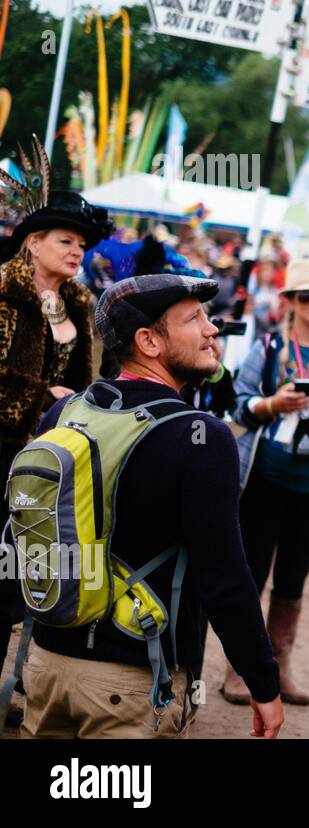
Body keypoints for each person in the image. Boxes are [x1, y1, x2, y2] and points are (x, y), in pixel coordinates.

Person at [20, 274, 283, 738]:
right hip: (131, 683)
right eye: (193, 318)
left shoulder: (64, 412)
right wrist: (262, 681)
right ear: (148, 341)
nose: (212, 330)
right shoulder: (201, 437)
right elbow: (224, 577)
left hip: (45, 663)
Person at [0, 142, 113, 723]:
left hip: (43, 465)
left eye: (83, 244)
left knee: (23, 575)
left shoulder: (80, 303)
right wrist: (39, 395)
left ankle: (23, 678)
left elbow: (84, 382)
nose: (77, 250)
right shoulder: (1, 289)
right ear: (33, 241)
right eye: (66, 240)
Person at [220, 257, 309, 706]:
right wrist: (272, 405)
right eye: (307, 296)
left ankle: (281, 669)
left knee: (293, 582)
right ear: (290, 302)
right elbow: (237, 408)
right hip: (265, 480)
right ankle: (241, 670)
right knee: (253, 574)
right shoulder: (266, 348)